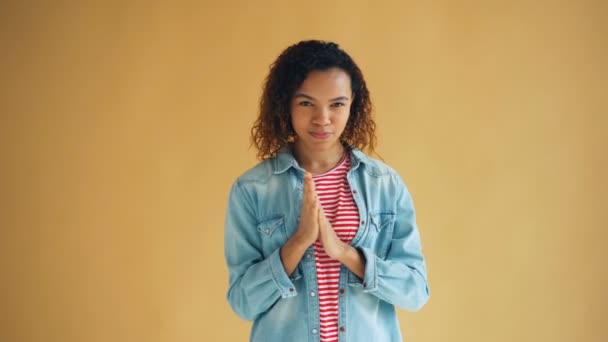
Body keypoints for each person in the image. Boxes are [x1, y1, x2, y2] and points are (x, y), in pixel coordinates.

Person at [224, 40, 430, 342]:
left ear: (353, 105)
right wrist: (297, 243)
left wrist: (344, 253)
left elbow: (415, 292)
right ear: (286, 104)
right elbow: (242, 302)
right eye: (307, 103)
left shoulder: (384, 184)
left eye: (337, 104)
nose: (323, 118)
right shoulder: (252, 190)